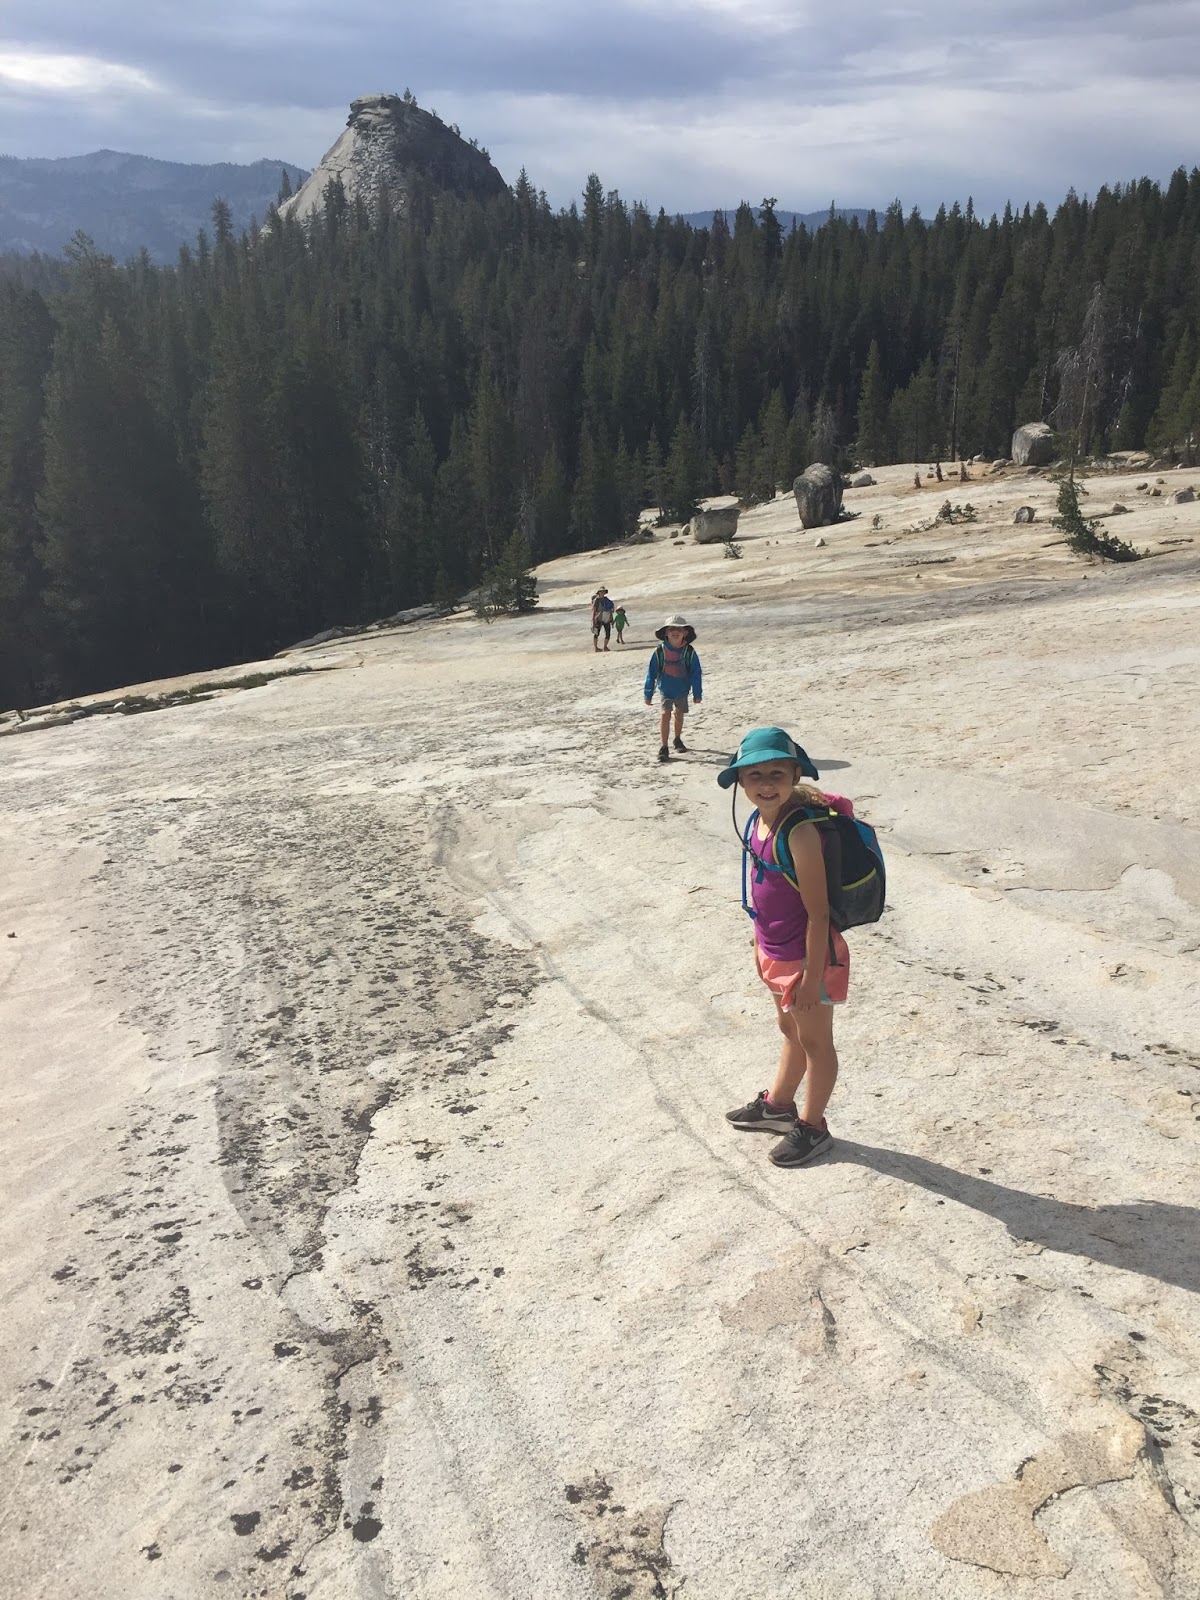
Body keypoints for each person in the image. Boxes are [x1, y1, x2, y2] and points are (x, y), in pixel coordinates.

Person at [717, 727, 850, 1168]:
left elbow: (818, 914)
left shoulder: (799, 833)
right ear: (740, 781)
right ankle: (778, 1106)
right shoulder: (757, 820)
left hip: (807, 958)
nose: (766, 784)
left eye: (777, 772)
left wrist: (812, 975)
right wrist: (762, 949)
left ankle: (813, 1127)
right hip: (774, 949)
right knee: (790, 1030)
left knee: (815, 1041)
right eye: (754, 776)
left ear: (796, 774)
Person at [643, 614, 702, 762]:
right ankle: (664, 747)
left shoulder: (689, 652)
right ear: (666, 633)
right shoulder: (659, 652)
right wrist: (648, 693)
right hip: (666, 689)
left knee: (679, 714)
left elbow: (696, 673)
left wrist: (697, 692)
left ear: (685, 633)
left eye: (679, 630)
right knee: (665, 714)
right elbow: (651, 673)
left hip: (682, 689)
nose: (675, 632)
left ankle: (677, 739)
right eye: (671, 629)